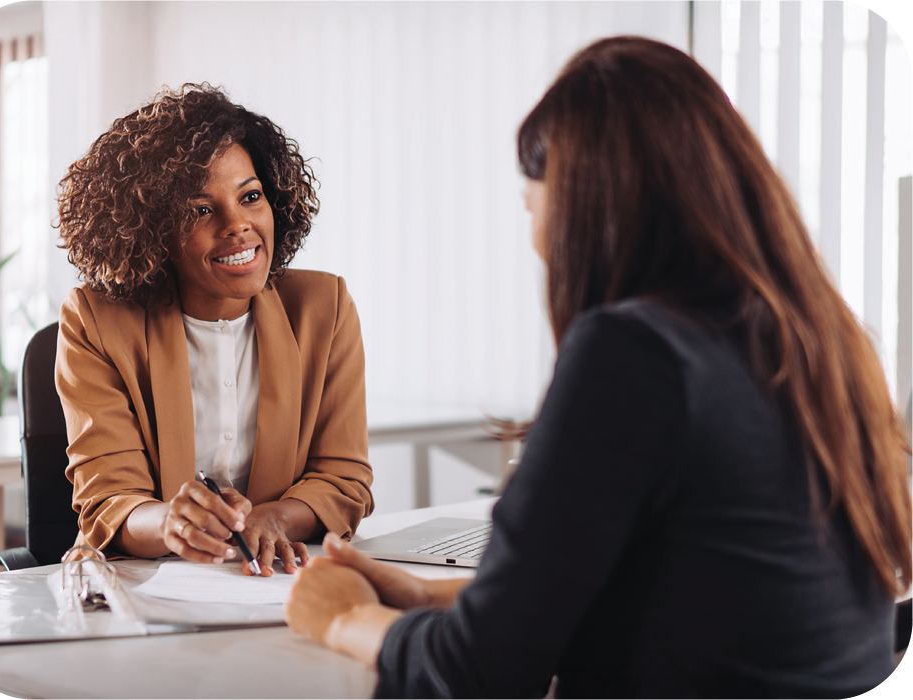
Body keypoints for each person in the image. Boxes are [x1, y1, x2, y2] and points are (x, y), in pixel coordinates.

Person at [284, 36, 913, 697]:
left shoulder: (634, 354)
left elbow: (480, 674)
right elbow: (695, 598)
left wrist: (345, 618)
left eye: (533, 208)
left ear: (586, 207)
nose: (536, 245)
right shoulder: (828, 343)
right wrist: (435, 597)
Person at [55, 84, 373, 576]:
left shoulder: (323, 308)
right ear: (153, 228)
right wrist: (170, 523)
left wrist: (273, 519)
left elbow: (343, 479)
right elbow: (109, 499)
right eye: (201, 209)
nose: (238, 225)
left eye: (250, 197)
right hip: (141, 588)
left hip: (275, 583)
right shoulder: (95, 320)